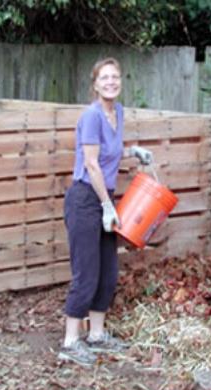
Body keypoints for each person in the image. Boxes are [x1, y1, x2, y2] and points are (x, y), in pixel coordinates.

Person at [58, 57, 153, 366]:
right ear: (95, 84)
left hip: (103, 198)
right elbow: (91, 163)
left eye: (116, 77)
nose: (111, 82)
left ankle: (96, 336)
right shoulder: (91, 116)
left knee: (109, 272)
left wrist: (132, 151)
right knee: (86, 272)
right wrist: (106, 205)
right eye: (105, 78)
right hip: (86, 199)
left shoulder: (118, 112)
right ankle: (71, 341)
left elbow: (108, 152)